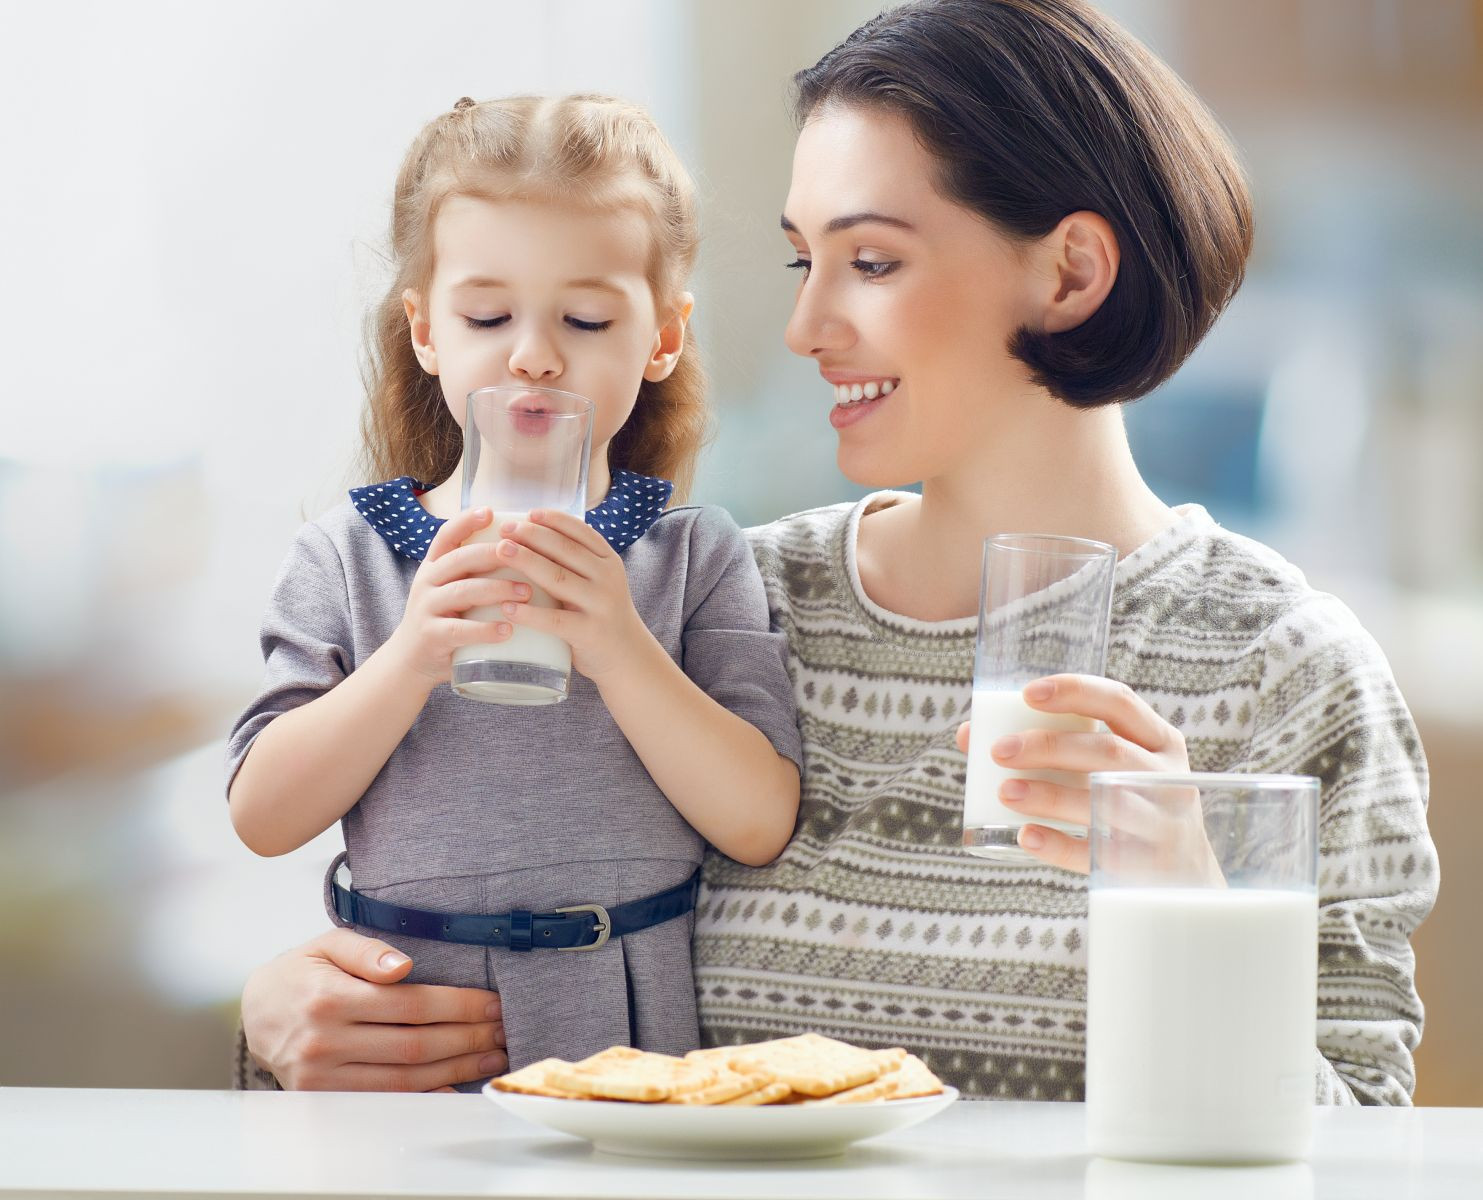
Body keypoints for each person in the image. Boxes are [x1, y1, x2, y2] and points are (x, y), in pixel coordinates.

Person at [237, 0, 1436, 1103]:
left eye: (869, 261)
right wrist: (284, 1022)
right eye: (801, 261)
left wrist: (1186, 903)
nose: (808, 327)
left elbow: (1370, 1147)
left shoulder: (1281, 669)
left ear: (1068, 270)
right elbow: (467, 881)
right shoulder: (718, 597)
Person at [226, 93, 802, 1089]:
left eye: (585, 317)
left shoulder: (690, 556)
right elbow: (263, 814)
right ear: (425, 332)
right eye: (487, 315)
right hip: (409, 1025)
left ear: (661, 337)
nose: (534, 352)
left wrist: (619, 644)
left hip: (627, 1023)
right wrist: (411, 656)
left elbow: (756, 818)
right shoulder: (349, 556)